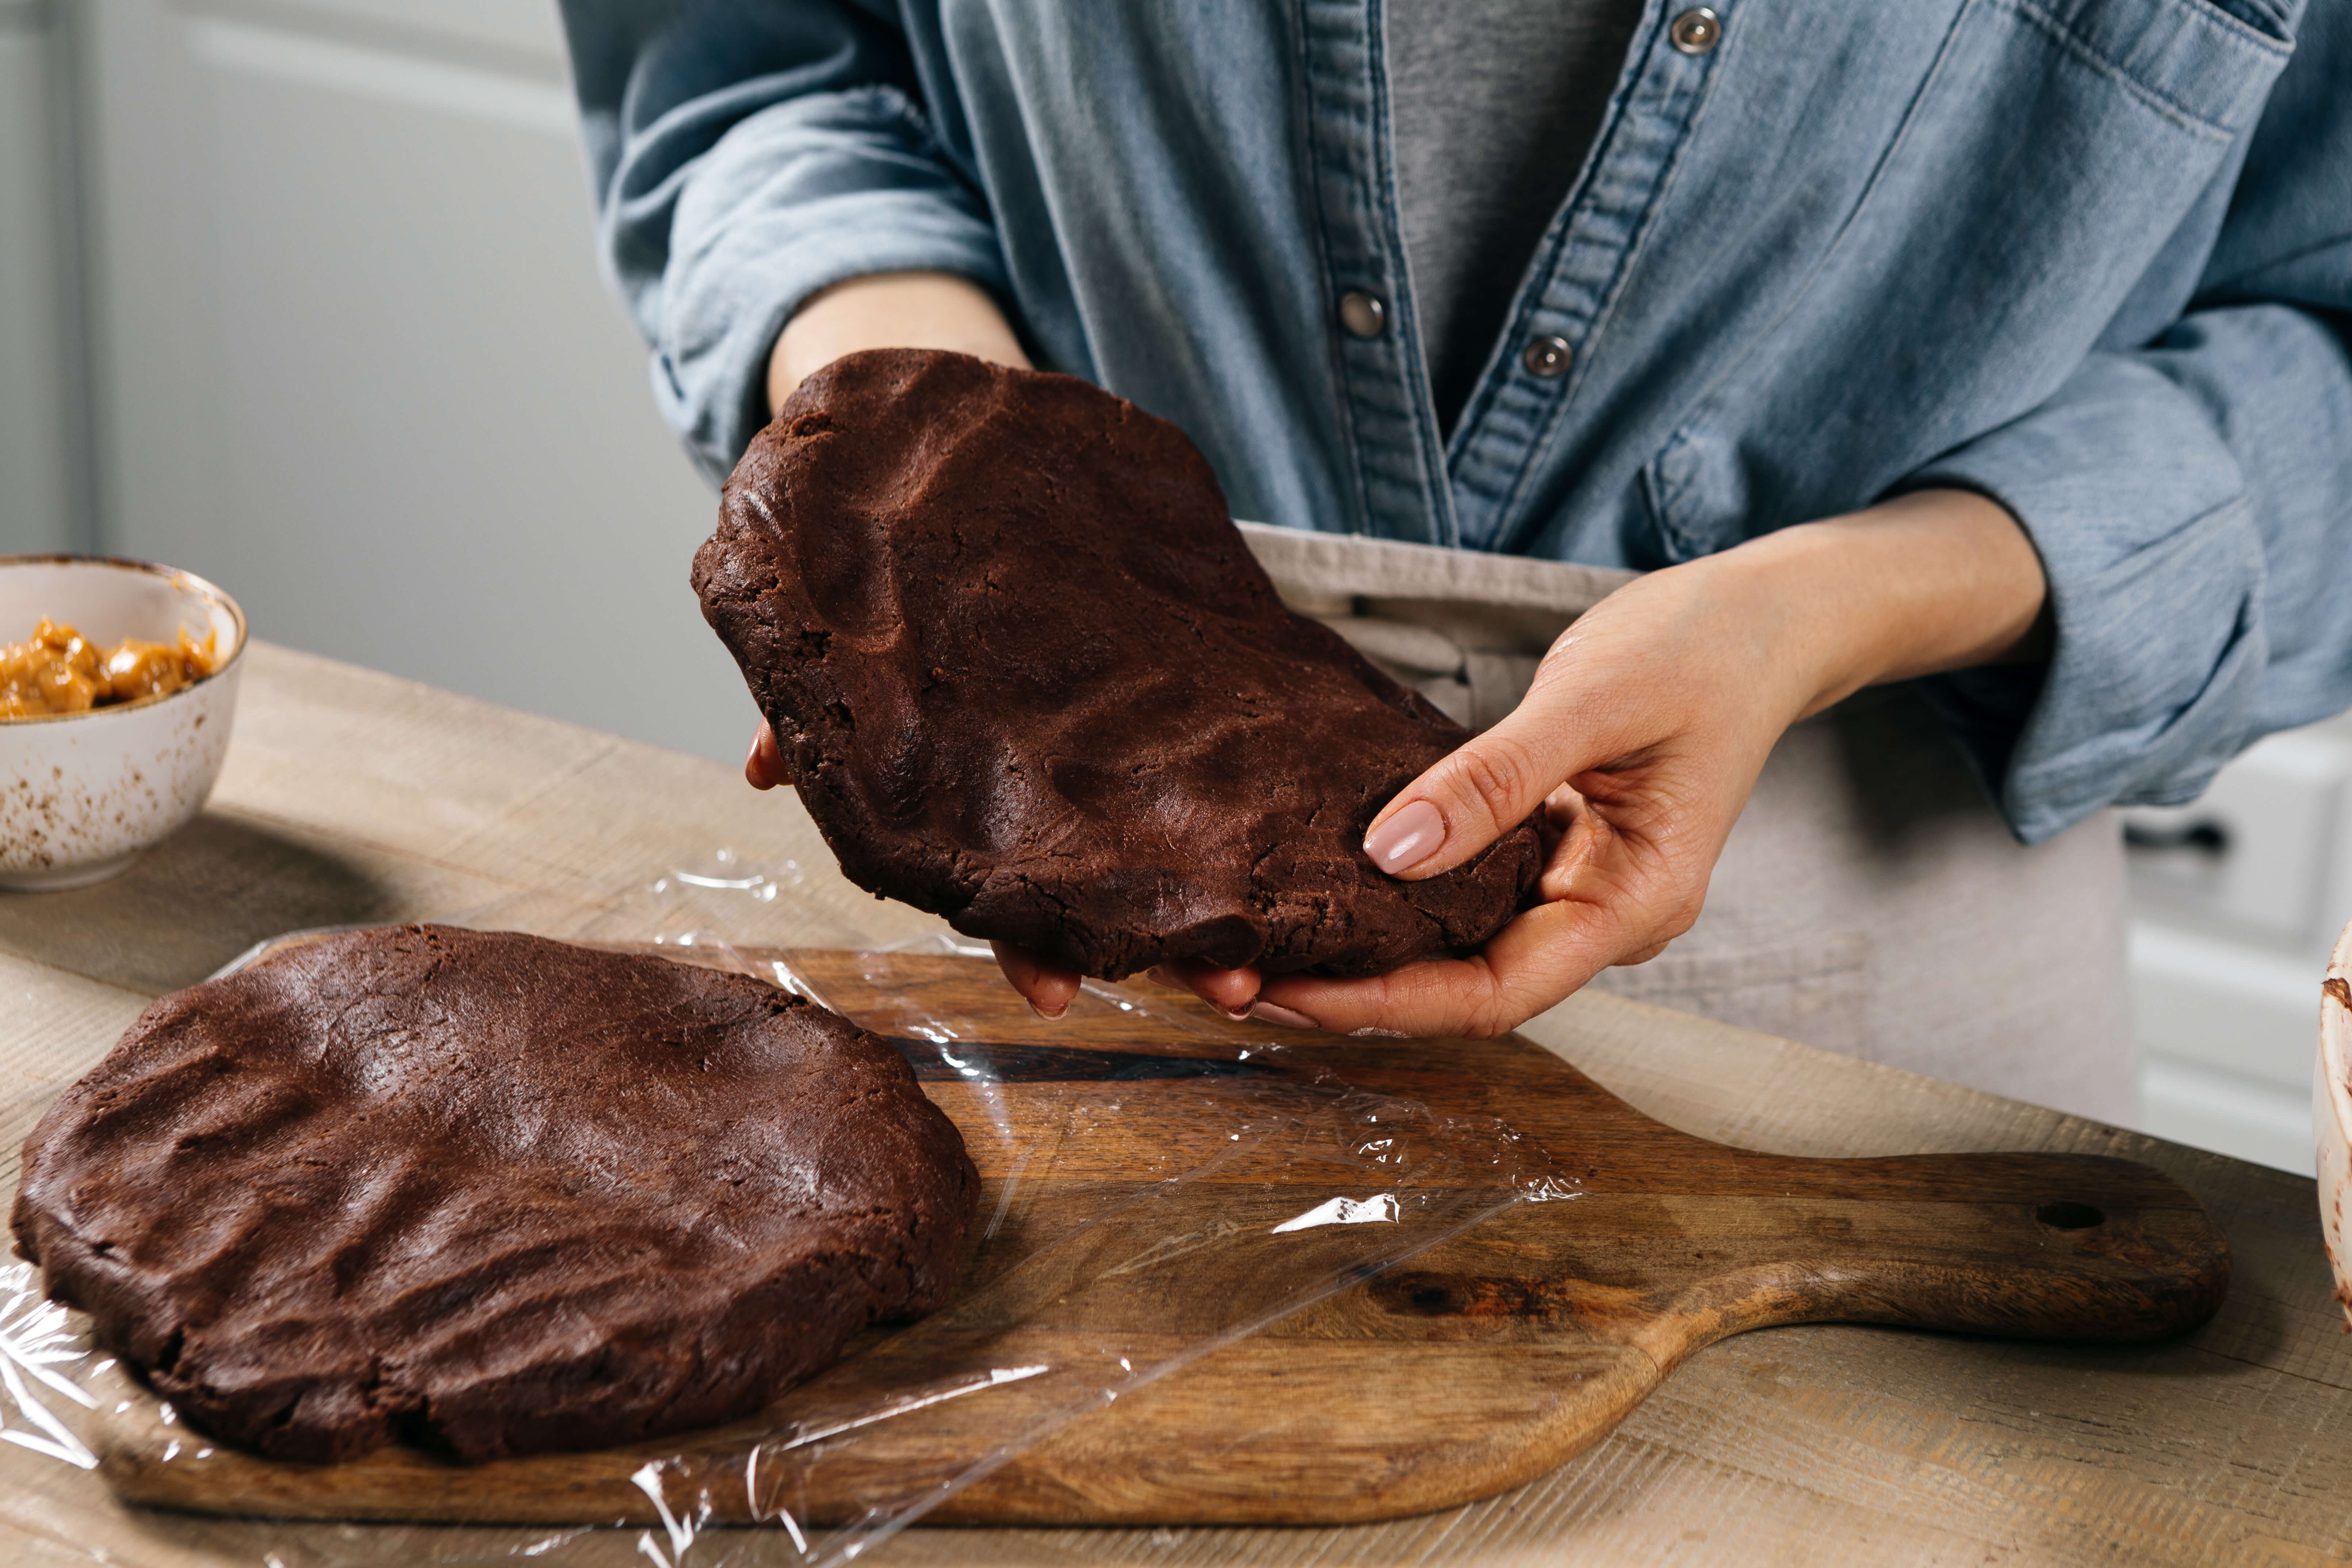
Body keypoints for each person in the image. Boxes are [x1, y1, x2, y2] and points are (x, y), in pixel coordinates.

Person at [558, 1, 2352, 1120]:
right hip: (1054, 734)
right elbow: (755, 67)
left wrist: (1835, 603)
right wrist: (933, 458)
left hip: (1875, 906)